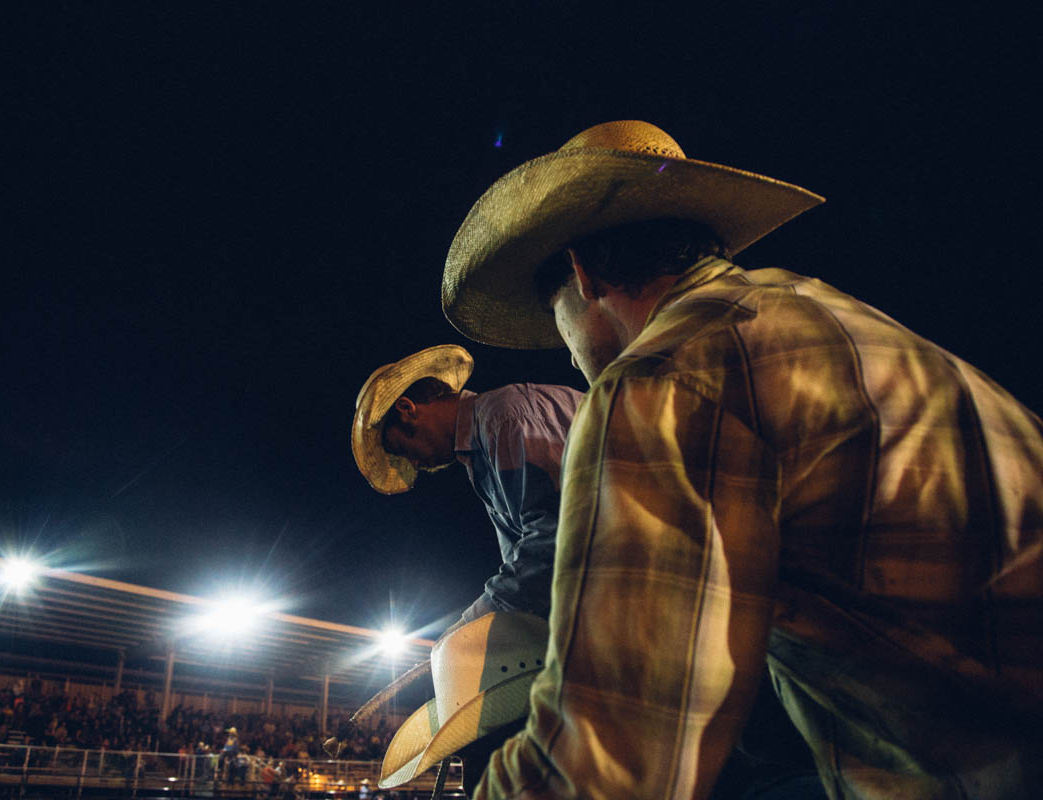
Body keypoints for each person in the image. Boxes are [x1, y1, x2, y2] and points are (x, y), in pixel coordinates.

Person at [441, 120, 1043, 798]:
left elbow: (605, 766)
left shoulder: (661, 376)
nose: (569, 351)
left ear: (584, 273)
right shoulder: (821, 310)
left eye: (556, 313)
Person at [353, 345, 582, 622]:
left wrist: (470, 625)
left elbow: (557, 539)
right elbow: (523, 561)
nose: (413, 464)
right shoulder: (483, 446)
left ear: (406, 409)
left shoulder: (503, 421)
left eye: (404, 449)